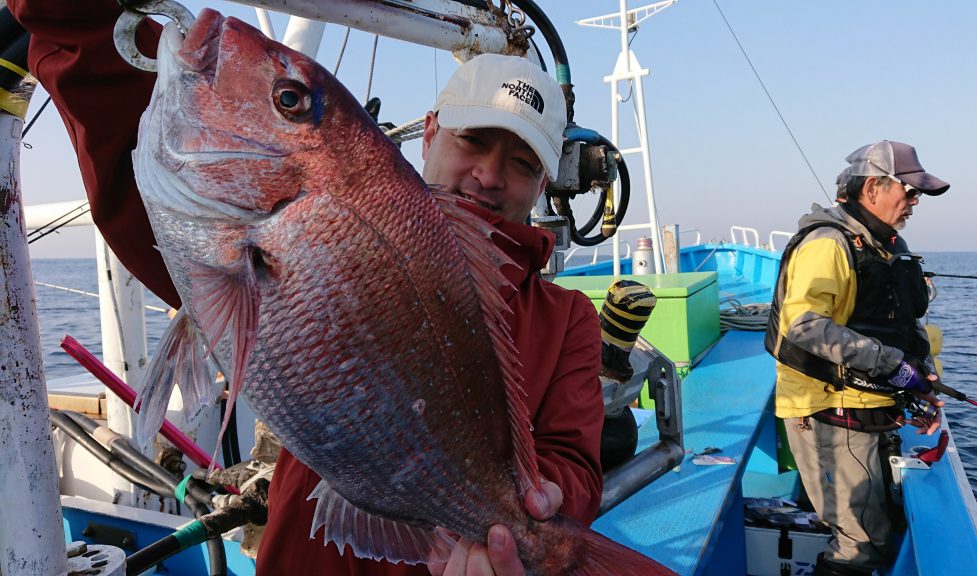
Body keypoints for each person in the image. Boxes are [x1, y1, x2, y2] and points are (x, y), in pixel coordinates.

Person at [9, 2, 604, 574]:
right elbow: (110, 95)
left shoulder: (569, 318)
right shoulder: (223, 225)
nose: (489, 175)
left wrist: (534, 517)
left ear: (543, 184)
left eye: (523, 163)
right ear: (429, 134)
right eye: (472, 140)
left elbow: (574, 466)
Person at [765, 140, 950, 576]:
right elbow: (804, 326)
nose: (915, 202)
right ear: (872, 188)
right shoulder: (827, 244)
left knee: (878, 528)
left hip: (872, 406)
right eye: (909, 191)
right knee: (860, 545)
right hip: (830, 409)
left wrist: (921, 380)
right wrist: (893, 366)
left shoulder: (885, 244)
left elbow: (901, 323)